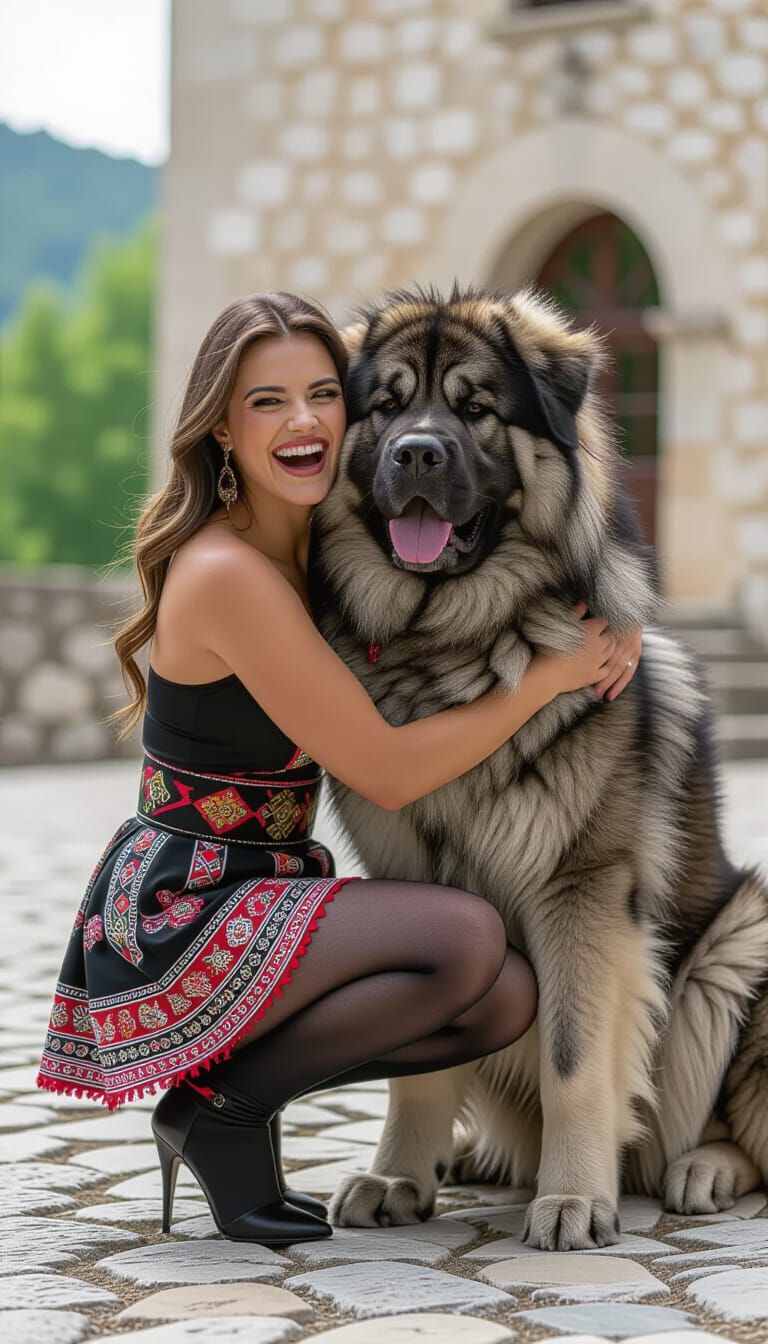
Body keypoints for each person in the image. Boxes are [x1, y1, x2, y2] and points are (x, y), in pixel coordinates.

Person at [36, 292, 641, 1247]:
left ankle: (233, 1107)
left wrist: (612, 611)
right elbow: (389, 773)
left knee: (506, 997)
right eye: (267, 401)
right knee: (465, 940)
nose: (305, 420)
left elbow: (545, 543)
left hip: (267, 891)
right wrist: (549, 680)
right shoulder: (229, 573)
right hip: (188, 913)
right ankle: (222, 1109)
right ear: (221, 428)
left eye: (324, 395)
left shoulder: (309, 549)